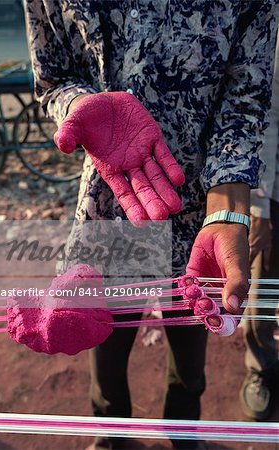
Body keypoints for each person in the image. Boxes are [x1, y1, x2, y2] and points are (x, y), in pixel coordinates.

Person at [24, 2, 278, 449]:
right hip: (113, 197)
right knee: (106, 346)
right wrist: (81, 103)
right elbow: (53, 78)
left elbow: (244, 96)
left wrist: (229, 208)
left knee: (189, 350)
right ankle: (112, 436)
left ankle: (183, 434)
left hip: (201, 213)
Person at [240, 32, 279, 422]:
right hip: (276, 196)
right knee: (264, 287)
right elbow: (264, 121)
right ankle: (260, 369)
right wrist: (260, 209)